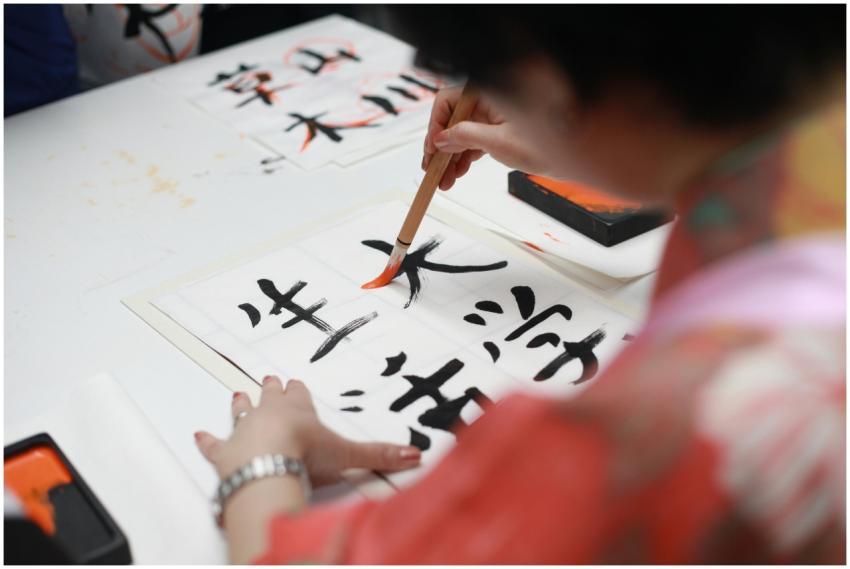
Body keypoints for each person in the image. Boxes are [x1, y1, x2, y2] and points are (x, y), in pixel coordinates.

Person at [193, 6, 845, 564]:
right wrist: (582, 135)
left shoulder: (656, 433)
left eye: (495, 78)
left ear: (546, 76)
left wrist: (260, 466)